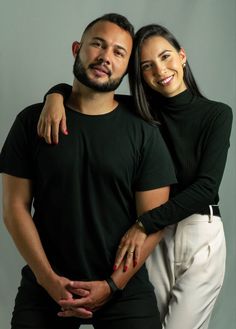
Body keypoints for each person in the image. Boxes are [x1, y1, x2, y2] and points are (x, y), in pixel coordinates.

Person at [37, 23, 233, 329]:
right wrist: (55, 95)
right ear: (138, 74)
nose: (160, 70)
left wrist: (144, 223)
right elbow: (88, 91)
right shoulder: (139, 111)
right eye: (147, 66)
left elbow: (206, 188)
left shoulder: (217, 114)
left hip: (195, 229)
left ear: (182, 56)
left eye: (166, 57)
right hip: (153, 236)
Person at [0, 14, 178, 329]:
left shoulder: (144, 134)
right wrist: (48, 280)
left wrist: (112, 286)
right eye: (98, 44)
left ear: (126, 69)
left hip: (123, 288)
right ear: (76, 49)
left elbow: (153, 221)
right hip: (46, 285)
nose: (105, 57)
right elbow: (14, 208)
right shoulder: (31, 123)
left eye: (119, 52)